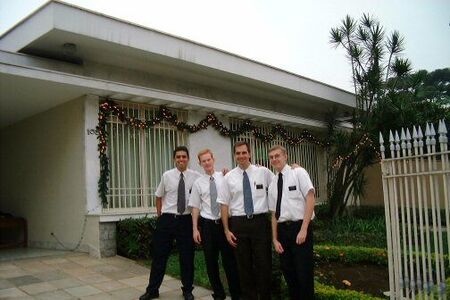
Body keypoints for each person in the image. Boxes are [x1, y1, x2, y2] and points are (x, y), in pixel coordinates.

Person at [140, 146, 200, 300]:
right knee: (159, 256)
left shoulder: (196, 176)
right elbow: (159, 196)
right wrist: (160, 215)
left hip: (185, 220)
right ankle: (152, 290)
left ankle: (187, 290)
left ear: (188, 158)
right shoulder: (167, 175)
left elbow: (210, 179)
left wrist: (225, 174)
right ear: (174, 159)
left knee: (187, 257)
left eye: (184, 157)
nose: (181, 159)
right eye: (178, 157)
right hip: (167, 219)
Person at [218, 141, 274, 300]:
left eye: (244, 152)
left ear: (249, 153)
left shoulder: (263, 172)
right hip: (238, 224)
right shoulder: (228, 177)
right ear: (234, 155)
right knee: (244, 266)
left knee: (264, 264)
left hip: (260, 223)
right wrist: (226, 230)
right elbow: (224, 204)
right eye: (238, 153)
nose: (241, 156)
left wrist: (293, 169)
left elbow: (279, 183)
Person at [189, 149, 241, 300]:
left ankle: (236, 294)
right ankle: (218, 293)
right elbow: (195, 207)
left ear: (213, 159)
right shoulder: (198, 183)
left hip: (225, 224)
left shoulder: (225, 177)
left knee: (229, 261)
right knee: (211, 262)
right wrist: (195, 229)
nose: (207, 163)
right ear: (200, 163)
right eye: (203, 161)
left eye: (208, 159)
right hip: (208, 226)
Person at [268, 145, 315, 300]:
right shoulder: (273, 183)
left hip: (299, 228)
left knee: (304, 274)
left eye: (277, 156)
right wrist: (274, 239)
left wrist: (304, 229)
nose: (274, 159)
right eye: (272, 157)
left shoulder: (298, 173)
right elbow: (274, 213)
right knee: (289, 274)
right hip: (283, 231)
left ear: (285, 156)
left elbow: (310, 198)